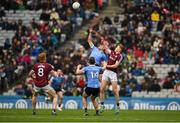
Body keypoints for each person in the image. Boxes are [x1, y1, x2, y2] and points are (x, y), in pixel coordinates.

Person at [99, 44, 124, 114]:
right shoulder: (112, 52)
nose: (116, 48)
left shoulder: (120, 56)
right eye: (116, 47)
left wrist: (107, 65)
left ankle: (118, 107)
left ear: (120, 49)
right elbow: (106, 49)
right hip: (106, 72)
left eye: (117, 47)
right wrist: (104, 43)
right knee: (101, 89)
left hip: (113, 73)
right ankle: (102, 105)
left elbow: (115, 65)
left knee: (115, 91)